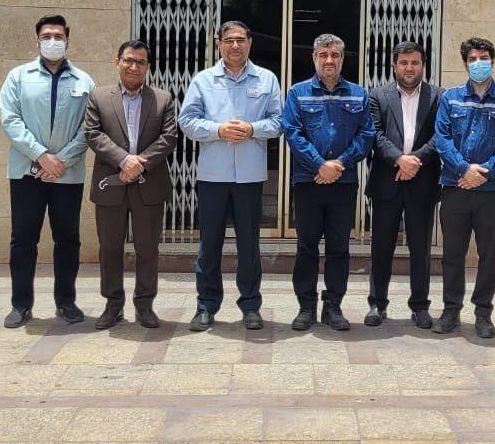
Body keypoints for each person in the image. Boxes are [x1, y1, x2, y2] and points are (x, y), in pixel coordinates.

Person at [178, 21, 283, 332]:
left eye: (240, 40)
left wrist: (252, 129)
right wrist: (218, 130)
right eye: (228, 40)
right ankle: (205, 306)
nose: (235, 45)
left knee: (249, 245)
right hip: (213, 176)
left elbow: (279, 122)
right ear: (219, 43)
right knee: (209, 245)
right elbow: (187, 121)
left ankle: (250, 306)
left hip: (249, 177)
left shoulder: (266, 79)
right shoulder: (203, 80)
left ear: (249, 42)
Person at [0, 15, 95, 328]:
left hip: (67, 174)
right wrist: (41, 156)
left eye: (58, 36)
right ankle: (20, 305)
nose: (52, 41)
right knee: (23, 239)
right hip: (27, 172)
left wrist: (60, 160)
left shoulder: (84, 81)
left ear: (68, 40)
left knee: (67, 239)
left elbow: (89, 127)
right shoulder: (18, 77)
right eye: (46, 36)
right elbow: (10, 119)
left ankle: (66, 302)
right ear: (37, 40)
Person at [432, 37, 495, 338]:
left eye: (483, 58)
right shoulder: (450, 98)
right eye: (472, 59)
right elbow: (442, 139)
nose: (478, 64)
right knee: (452, 254)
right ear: (465, 63)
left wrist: (484, 172)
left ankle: (483, 313)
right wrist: (464, 169)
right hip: (455, 187)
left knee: (488, 254)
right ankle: (451, 310)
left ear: (492, 60)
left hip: (491, 190)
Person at [281, 33, 374, 332]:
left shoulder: (359, 95)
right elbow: (292, 132)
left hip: (343, 183)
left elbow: (366, 135)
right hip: (308, 181)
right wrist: (320, 165)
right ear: (314, 57)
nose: (329, 60)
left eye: (335, 55)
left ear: (343, 59)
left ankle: (333, 305)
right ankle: (306, 306)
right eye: (323, 54)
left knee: (339, 248)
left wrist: (339, 164)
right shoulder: (297, 93)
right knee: (307, 247)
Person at [84, 40, 178, 330]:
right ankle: (113, 305)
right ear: (117, 62)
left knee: (147, 248)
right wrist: (124, 160)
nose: (134, 66)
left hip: (149, 185)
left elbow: (169, 137)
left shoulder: (162, 99)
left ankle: (144, 305)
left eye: (140, 62)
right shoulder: (99, 97)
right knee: (110, 248)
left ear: (148, 67)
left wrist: (139, 164)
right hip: (110, 185)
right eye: (128, 60)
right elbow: (93, 133)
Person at [365, 41, 440, 329]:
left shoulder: (438, 96)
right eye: (404, 63)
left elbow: (440, 136)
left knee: (421, 249)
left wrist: (414, 161)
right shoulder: (377, 95)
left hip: (423, 183)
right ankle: (377, 304)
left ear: (423, 65)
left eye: (415, 63)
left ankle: (420, 306)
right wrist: (399, 159)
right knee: (381, 247)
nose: (410, 68)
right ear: (394, 66)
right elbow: (375, 134)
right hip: (387, 182)